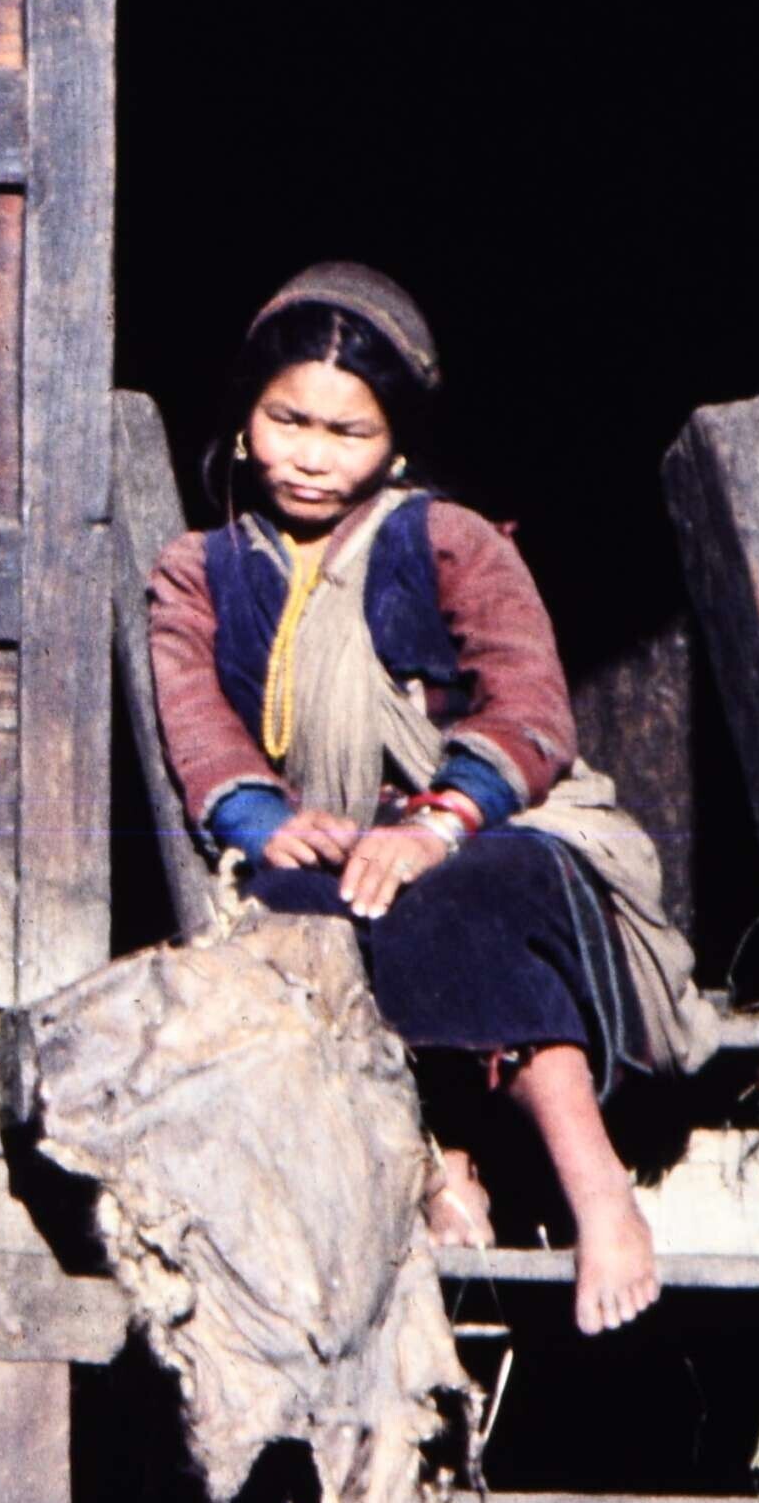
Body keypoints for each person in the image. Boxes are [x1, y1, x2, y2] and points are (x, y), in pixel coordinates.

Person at [139, 262, 706, 1328]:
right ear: (246, 419)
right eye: (287, 420)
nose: (311, 454)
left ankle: (597, 1189)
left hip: (496, 825)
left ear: (395, 443)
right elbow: (196, 717)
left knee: (458, 895)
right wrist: (266, 821)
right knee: (299, 917)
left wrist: (436, 826)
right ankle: (438, 1167)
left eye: (347, 431)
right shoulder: (197, 571)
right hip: (329, 841)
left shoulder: (450, 541)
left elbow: (530, 705)